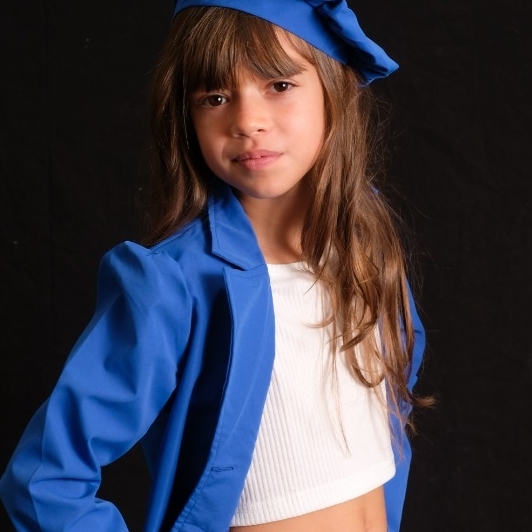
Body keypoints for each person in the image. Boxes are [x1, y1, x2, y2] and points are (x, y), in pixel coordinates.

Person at [0, 1, 428, 531]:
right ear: (187, 118)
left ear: (333, 89)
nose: (247, 121)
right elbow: (45, 481)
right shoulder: (174, 283)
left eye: (279, 85)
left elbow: (397, 368)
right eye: (215, 98)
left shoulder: (364, 241)